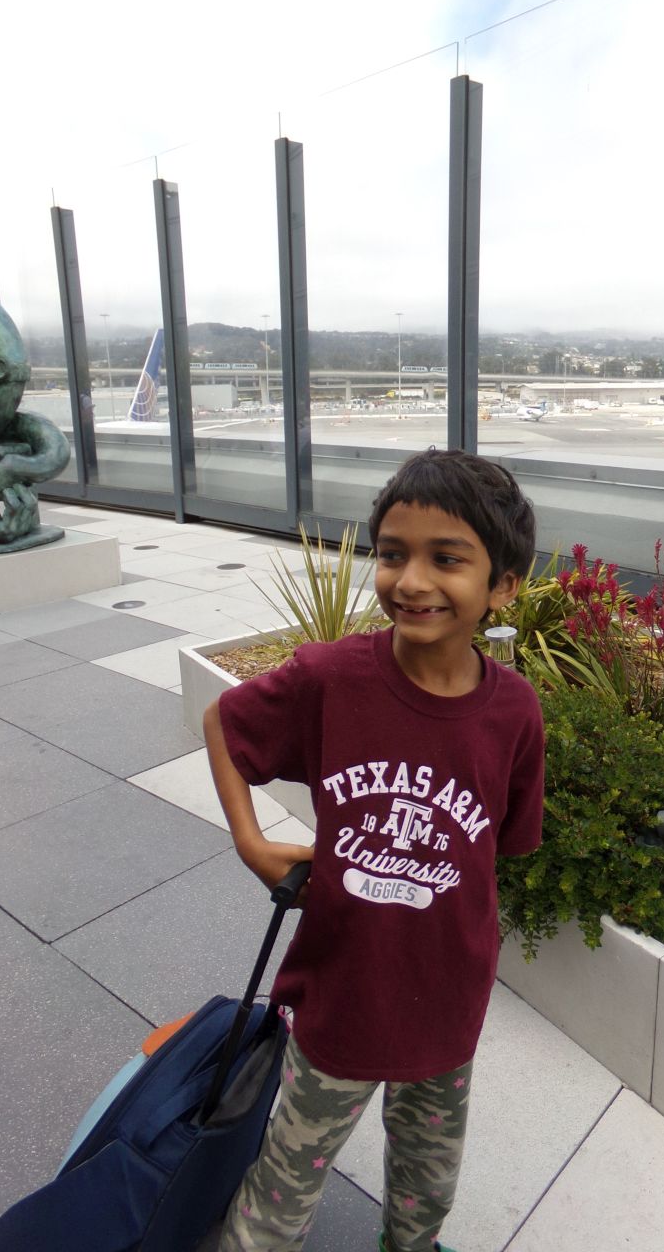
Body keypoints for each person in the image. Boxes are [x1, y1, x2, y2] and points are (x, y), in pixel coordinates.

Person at [203, 448, 544, 1252]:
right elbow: (225, 721)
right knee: (285, 1181)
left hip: (447, 999)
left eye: (446, 559)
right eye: (393, 555)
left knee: (427, 1186)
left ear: (503, 586)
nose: (411, 580)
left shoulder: (515, 712)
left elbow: (504, 845)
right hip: (342, 992)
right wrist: (251, 841)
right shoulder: (331, 678)